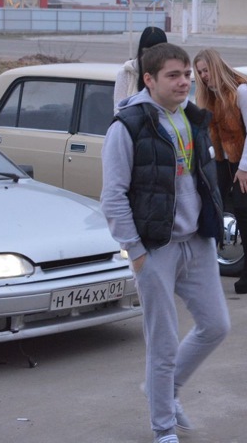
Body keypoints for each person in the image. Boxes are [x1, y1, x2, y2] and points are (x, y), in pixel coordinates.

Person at [100, 42, 230, 443]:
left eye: (188, 74)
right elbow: (113, 196)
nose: (185, 82)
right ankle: (163, 429)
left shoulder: (192, 118)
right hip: (155, 248)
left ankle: (165, 391)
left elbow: (201, 180)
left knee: (216, 326)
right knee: (163, 343)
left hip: (197, 242)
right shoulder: (128, 126)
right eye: (174, 75)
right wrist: (135, 253)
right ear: (149, 79)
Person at [193, 48, 247, 294]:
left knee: (243, 206)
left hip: (246, 157)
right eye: (200, 72)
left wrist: (244, 168)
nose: (203, 76)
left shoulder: (241, 90)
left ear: (216, 66)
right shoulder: (207, 94)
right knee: (214, 205)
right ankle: (207, 266)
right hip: (222, 159)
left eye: (206, 70)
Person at [114, 26, 168, 110]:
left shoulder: (170, 73)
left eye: (158, 52)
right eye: (149, 51)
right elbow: (118, 109)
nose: (153, 56)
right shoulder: (126, 73)